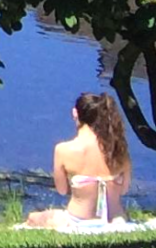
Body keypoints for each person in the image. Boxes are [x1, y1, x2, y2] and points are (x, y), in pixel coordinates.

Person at [26, 92, 133, 227]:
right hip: (116, 218)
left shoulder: (63, 149)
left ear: (75, 113)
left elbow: (62, 190)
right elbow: (123, 190)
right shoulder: (119, 151)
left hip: (78, 220)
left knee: (33, 217)